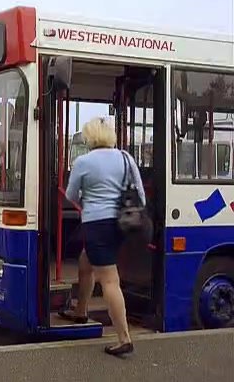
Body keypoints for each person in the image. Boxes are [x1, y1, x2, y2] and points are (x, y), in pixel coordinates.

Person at [58, 117, 145, 356]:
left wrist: (91, 199)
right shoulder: (126, 158)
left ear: (90, 138)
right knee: (86, 261)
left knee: (109, 280)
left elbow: (71, 195)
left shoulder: (83, 162)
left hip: (97, 224)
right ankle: (81, 311)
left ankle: (124, 337)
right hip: (121, 224)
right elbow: (141, 196)